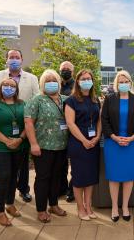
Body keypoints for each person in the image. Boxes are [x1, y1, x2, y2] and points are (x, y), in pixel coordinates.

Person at [0, 49, 39, 203]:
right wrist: (0, 111)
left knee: (22, 164)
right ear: (6, 60)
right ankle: (5, 201)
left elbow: (36, 99)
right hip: (2, 123)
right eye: (11, 57)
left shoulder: (32, 78)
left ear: (22, 59)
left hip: (24, 126)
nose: (14, 59)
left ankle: (23, 189)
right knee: (5, 172)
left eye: (17, 57)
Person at [24, 69, 68, 223]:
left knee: (57, 177)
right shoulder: (37, 100)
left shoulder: (65, 99)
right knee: (43, 178)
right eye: (47, 81)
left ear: (59, 83)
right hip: (43, 146)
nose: (51, 83)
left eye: (54, 80)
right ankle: (41, 209)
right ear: (42, 84)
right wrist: (33, 144)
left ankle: (54, 205)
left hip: (62, 146)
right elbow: (28, 122)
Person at [0, 78, 27, 226]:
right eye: (6, 85)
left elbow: (29, 123)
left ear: (17, 88)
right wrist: (6, 141)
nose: (9, 87)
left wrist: (19, 139)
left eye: (12, 85)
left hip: (19, 145)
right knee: (4, 176)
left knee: (14, 175)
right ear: (1, 87)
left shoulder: (22, 104)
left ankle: (10, 203)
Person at [101, 70, 134, 222]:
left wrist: (132, 137)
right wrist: (114, 137)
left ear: (130, 83)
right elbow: (104, 120)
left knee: (128, 177)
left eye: (126, 81)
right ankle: (114, 207)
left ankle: (125, 206)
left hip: (132, 143)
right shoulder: (109, 99)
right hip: (113, 143)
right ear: (116, 84)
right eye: (121, 82)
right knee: (114, 177)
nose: (124, 84)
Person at [65, 69, 102, 221]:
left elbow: (99, 120)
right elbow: (70, 123)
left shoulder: (95, 100)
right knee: (79, 177)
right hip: (78, 143)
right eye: (83, 78)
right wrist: (84, 140)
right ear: (78, 82)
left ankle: (89, 206)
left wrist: (98, 136)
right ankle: (80, 208)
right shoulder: (71, 100)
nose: (86, 81)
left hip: (93, 143)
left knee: (91, 177)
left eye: (89, 78)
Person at [59, 61, 75, 202]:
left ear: (72, 72)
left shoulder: (77, 86)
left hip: (74, 128)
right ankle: (61, 187)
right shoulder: (55, 84)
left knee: (74, 162)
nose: (65, 71)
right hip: (58, 129)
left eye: (67, 69)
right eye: (63, 69)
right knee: (61, 162)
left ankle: (72, 189)